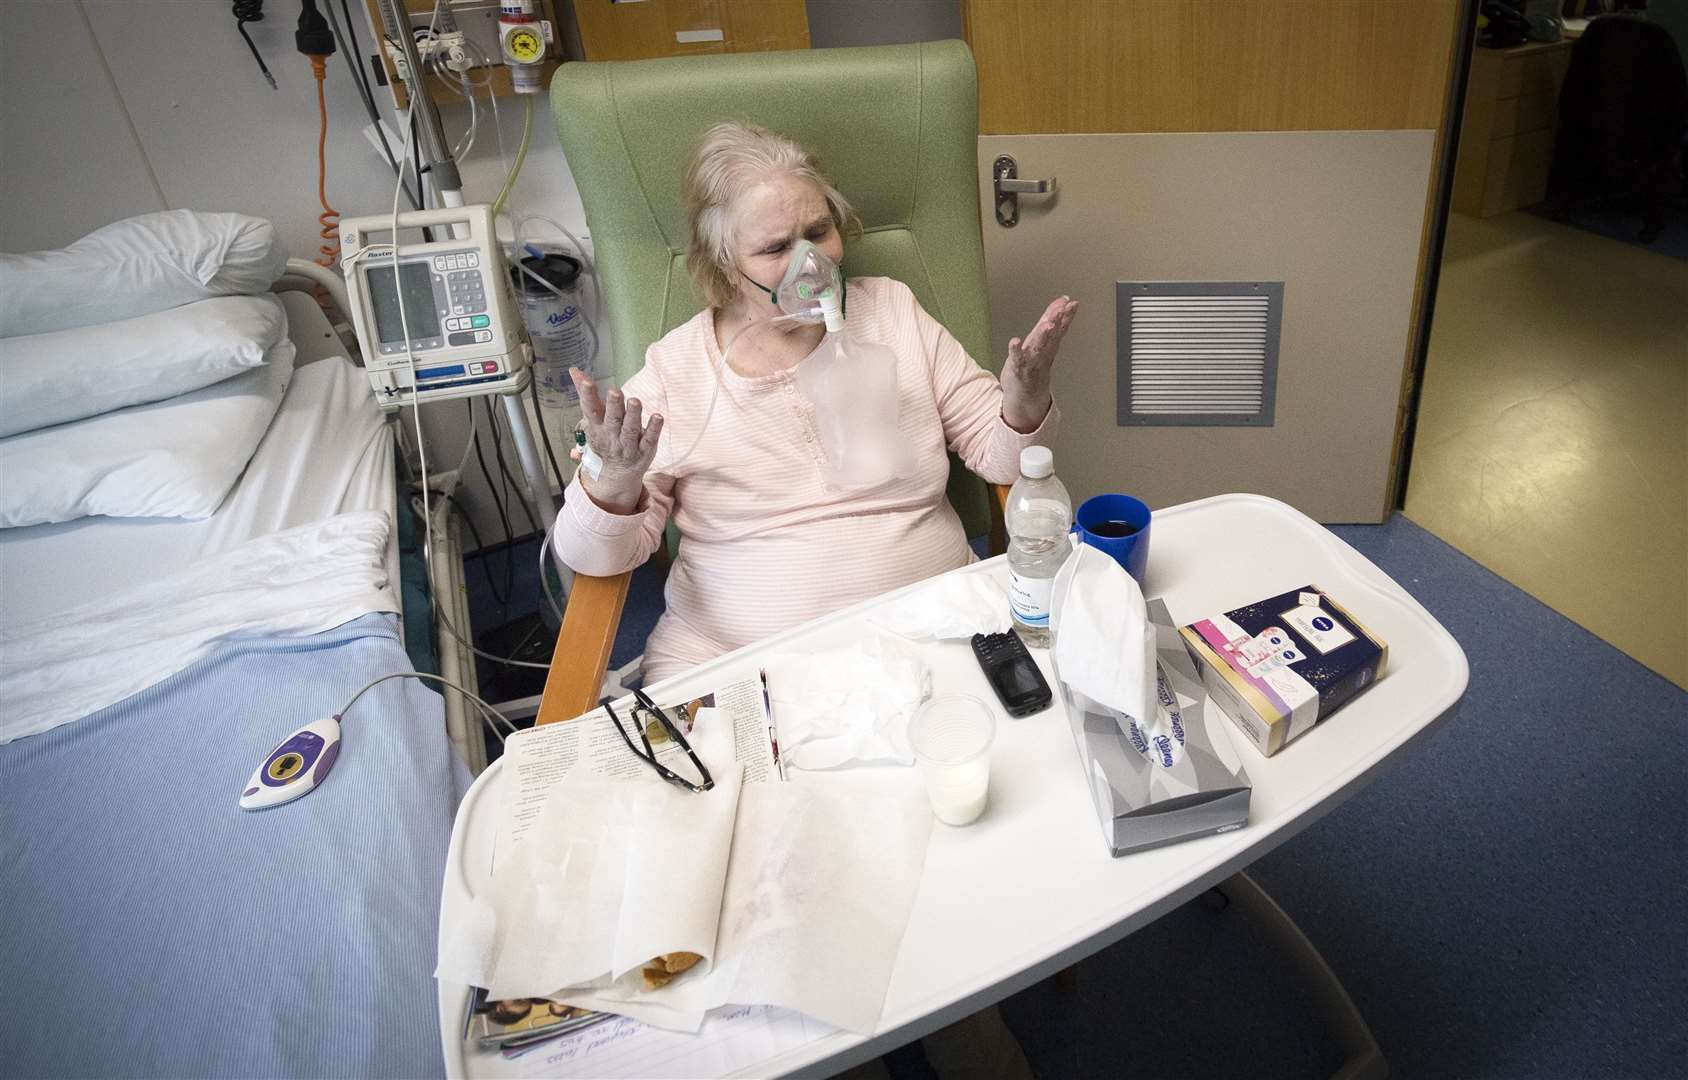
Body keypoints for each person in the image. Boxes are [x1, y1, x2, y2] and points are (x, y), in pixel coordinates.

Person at [556, 121, 1078, 682]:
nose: (811, 263)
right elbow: (596, 558)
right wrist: (613, 484)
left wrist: (1025, 398)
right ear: (722, 263)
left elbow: (1000, 458)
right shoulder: (675, 372)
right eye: (776, 247)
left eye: (819, 230)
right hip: (738, 659)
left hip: (932, 627)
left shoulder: (892, 312)